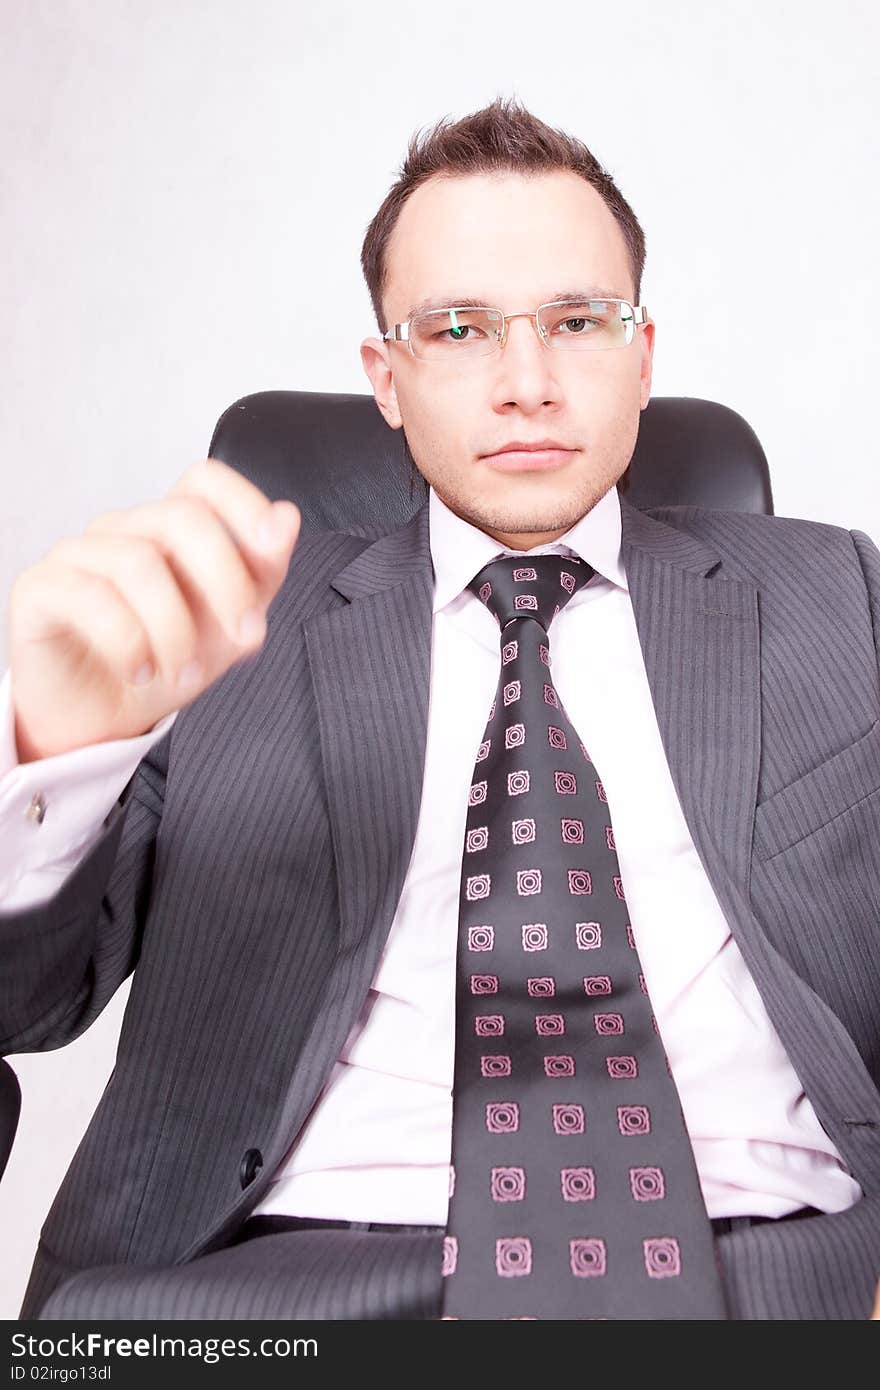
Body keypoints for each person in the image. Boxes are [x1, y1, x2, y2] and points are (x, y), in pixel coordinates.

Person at [2, 95, 879, 1321]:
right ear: (388, 377)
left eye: (578, 321)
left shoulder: (836, 590)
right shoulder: (229, 629)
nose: (526, 383)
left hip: (790, 1277)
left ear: (643, 352)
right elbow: (23, 1002)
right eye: (460, 329)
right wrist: (56, 754)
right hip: (274, 1296)